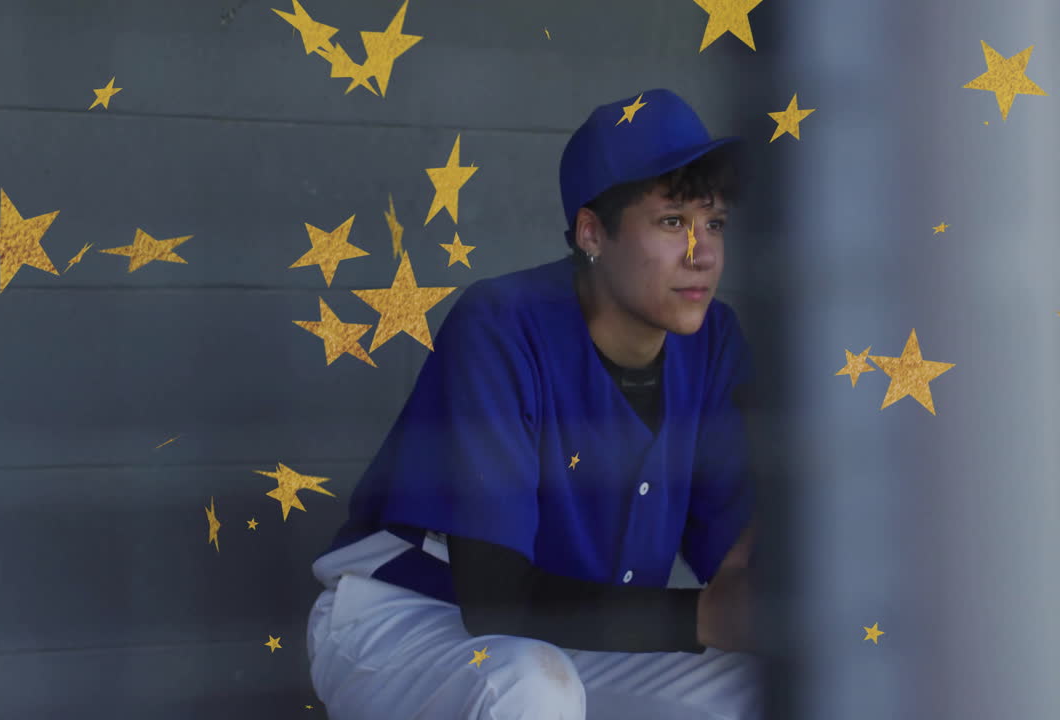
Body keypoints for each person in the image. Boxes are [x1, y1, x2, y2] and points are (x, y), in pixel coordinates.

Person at [306, 87, 763, 720]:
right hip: (406, 618)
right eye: (672, 222)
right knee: (531, 686)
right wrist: (706, 615)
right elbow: (494, 601)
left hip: (579, 639)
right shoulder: (502, 323)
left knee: (765, 689)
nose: (702, 251)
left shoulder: (714, 343)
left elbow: (734, 562)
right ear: (591, 232)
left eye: (713, 223)